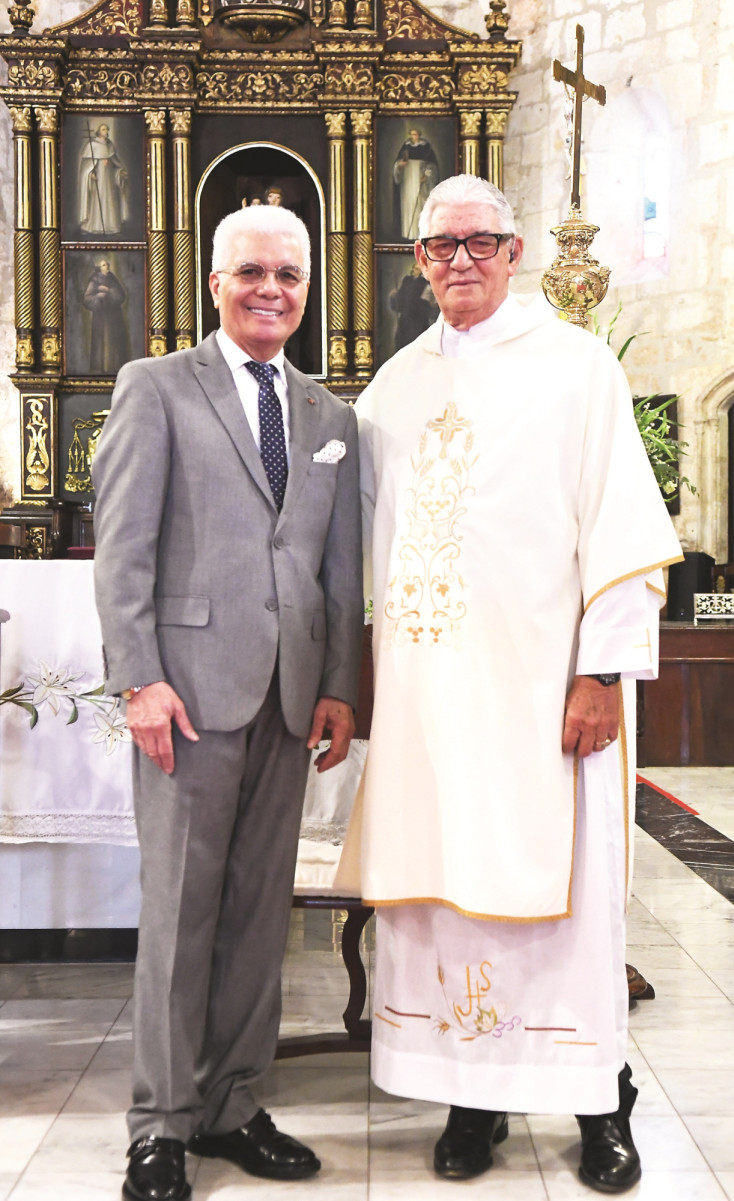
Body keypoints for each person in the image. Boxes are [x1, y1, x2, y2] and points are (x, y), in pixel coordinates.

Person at [353, 175, 682, 1193]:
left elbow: (621, 531)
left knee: (567, 900)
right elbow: (362, 551)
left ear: (513, 251)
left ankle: (598, 1104)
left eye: (479, 243)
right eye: (439, 247)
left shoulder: (576, 370)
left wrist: (599, 673)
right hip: (430, 705)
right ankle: (471, 1098)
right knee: (448, 893)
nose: (459, 260)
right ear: (418, 262)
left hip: (546, 698)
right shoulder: (389, 391)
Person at [92, 203, 363, 1201]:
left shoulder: (333, 419)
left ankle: (237, 1102)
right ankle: (160, 1123)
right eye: (250, 272)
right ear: (214, 282)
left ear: (305, 288)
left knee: (258, 914)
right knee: (179, 913)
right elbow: (123, 549)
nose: (269, 290)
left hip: (290, 700)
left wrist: (337, 684)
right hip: (189, 694)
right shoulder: (157, 387)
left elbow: (339, 574)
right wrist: (139, 677)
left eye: (287, 275)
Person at [78, 121, 129, 236]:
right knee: (97, 201)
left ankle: (110, 226)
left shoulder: (110, 145)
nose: (106, 132)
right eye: (104, 129)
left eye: (107, 129)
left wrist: (121, 171)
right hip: (98, 180)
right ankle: (94, 226)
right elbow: (86, 166)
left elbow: (116, 163)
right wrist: (90, 174)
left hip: (108, 180)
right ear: (99, 132)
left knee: (110, 200)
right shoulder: (92, 145)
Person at [82, 257, 130, 373]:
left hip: (114, 316)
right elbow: (87, 299)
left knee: (114, 341)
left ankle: (115, 368)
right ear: (99, 267)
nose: (107, 266)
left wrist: (109, 291)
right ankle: (100, 369)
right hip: (100, 317)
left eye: (107, 264)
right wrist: (98, 296)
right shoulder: (94, 280)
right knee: (101, 342)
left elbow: (121, 295)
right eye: (104, 265)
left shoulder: (112, 278)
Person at [392, 128, 438, 241]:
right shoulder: (406, 145)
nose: (413, 137)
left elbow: (431, 165)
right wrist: (400, 165)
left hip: (419, 176)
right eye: (412, 135)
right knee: (408, 203)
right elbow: (397, 163)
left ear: (419, 135)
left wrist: (426, 176)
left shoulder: (425, 146)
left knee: (419, 203)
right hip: (407, 178)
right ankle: (409, 233)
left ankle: (420, 234)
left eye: (415, 134)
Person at [388, 262, 438, 353]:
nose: (413, 270)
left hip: (419, 322)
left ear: (422, 271)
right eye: (413, 268)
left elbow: (431, 311)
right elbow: (399, 305)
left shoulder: (427, 284)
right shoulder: (407, 281)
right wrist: (394, 297)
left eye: (416, 269)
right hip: (405, 321)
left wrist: (432, 304)